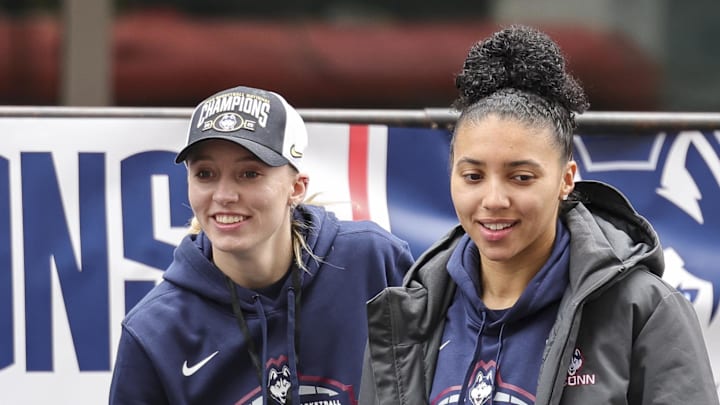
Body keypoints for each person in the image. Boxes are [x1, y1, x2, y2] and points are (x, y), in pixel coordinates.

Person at [359, 25, 719, 405]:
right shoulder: (408, 315)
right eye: (473, 176)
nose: (493, 199)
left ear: (566, 180)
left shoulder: (643, 311)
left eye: (521, 177)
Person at [109, 85, 414, 404]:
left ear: (296, 187)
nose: (224, 195)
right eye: (205, 174)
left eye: (249, 174)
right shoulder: (154, 330)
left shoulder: (373, 261)